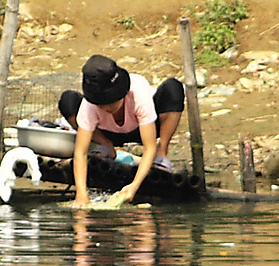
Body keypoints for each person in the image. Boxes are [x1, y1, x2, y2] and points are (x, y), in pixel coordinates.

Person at [59, 54, 185, 208]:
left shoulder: (138, 90)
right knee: (68, 100)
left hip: (142, 128)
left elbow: (149, 147)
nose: (107, 109)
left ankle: (162, 153)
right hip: (107, 133)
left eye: (111, 102)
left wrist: (134, 186)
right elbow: (80, 152)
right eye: (101, 105)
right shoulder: (89, 105)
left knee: (173, 88)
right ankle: (106, 146)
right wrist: (81, 194)